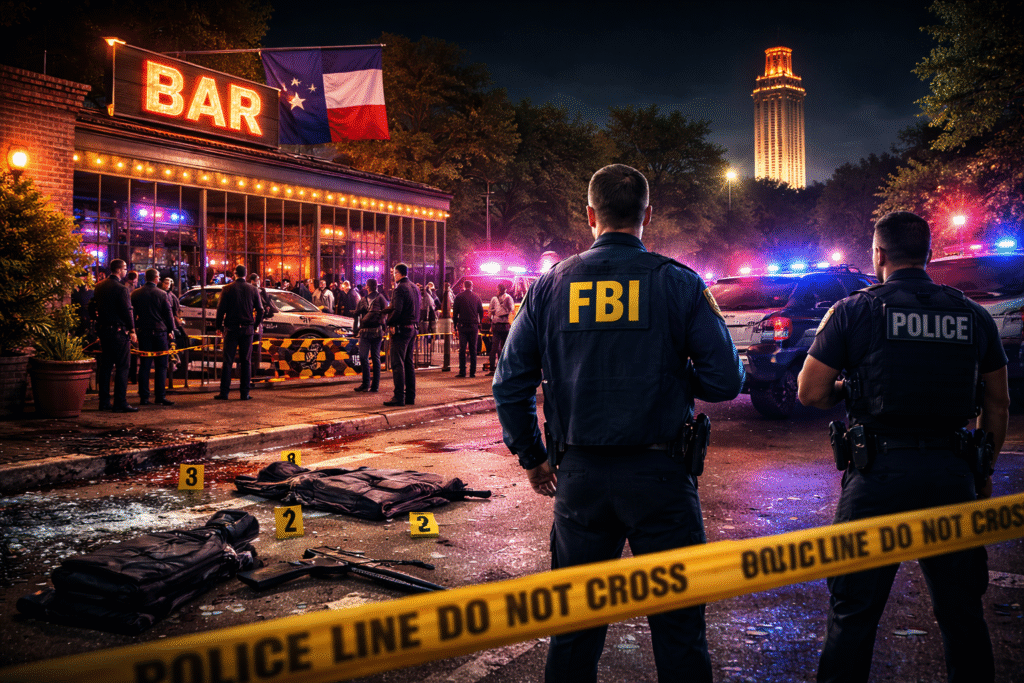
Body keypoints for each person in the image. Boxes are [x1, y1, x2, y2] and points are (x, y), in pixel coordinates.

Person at [493, 164, 744, 683]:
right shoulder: (678, 282)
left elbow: (509, 383)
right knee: (679, 630)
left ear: (590, 216)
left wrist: (534, 458)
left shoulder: (548, 287)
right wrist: (670, 371)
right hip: (662, 478)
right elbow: (724, 380)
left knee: (574, 630)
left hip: (580, 475)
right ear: (647, 215)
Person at [797, 211, 1008, 683]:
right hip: (953, 474)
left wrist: (849, 389)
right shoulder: (973, 314)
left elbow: (810, 392)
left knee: (853, 614)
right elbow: (997, 404)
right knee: (962, 616)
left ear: (878, 255)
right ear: (929, 255)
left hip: (877, 476)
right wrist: (984, 470)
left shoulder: (852, 310)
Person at [89, 259, 138, 412]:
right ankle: (120, 402)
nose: (126, 271)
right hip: (118, 331)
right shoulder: (121, 289)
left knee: (105, 366)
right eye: (124, 269)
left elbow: (92, 306)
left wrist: (98, 320)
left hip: (104, 330)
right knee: (123, 366)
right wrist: (132, 330)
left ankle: (104, 402)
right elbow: (127, 311)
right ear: (119, 270)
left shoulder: (99, 286)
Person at [214, 265, 264, 401]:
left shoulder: (227, 289)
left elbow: (220, 310)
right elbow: (260, 310)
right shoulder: (253, 289)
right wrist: (255, 325)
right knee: (246, 361)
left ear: (235, 274)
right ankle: (244, 393)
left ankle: (224, 392)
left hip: (231, 329)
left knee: (228, 360)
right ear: (246, 274)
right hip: (247, 329)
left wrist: (218, 326)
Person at [130, 268, 175, 406]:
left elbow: (132, 313)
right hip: (160, 332)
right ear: (156, 278)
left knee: (145, 365)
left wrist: (134, 329)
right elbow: (168, 313)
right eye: (159, 277)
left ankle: (144, 397)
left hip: (144, 332)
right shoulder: (162, 294)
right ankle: (160, 396)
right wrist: (171, 329)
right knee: (161, 366)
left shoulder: (136, 294)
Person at [384, 263, 420, 407]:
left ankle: (399, 397)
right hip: (413, 328)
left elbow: (397, 310)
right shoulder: (415, 287)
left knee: (397, 363)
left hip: (401, 330)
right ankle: (410, 396)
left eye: (394, 273)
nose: (393, 275)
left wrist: (389, 322)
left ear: (397, 273)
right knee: (408, 363)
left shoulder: (399, 289)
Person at [353, 278, 389, 393]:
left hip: (376, 331)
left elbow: (385, 313)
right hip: (364, 331)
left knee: (375, 358)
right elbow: (357, 315)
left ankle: (375, 385)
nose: (370, 287)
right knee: (363, 357)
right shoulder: (363, 300)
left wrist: (383, 325)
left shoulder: (380, 298)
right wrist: (355, 329)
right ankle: (366, 383)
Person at [247, 273, 279, 382]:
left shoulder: (262, 291)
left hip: (257, 322)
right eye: (256, 280)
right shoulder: (249, 290)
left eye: (258, 280)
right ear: (251, 281)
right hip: (252, 322)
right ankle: (250, 371)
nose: (258, 282)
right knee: (250, 348)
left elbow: (266, 305)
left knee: (256, 348)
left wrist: (267, 308)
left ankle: (254, 370)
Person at [452, 280, 483, 378]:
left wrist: (455, 325)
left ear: (464, 286)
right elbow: (481, 312)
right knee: (473, 349)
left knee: (462, 349)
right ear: (472, 286)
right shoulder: (477, 297)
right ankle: (472, 372)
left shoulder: (459, 297)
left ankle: (462, 371)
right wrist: (479, 322)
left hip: (463, 326)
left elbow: (455, 312)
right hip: (473, 325)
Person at [488, 282, 514, 375]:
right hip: (506, 326)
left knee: (495, 347)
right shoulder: (509, 298)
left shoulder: (494, 299)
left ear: (498, 289)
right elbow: (512, 310)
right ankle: (505, 368)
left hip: (497, 326)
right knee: (505, 347)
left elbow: (489, 312)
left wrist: (492, 317)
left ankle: (492, 369)